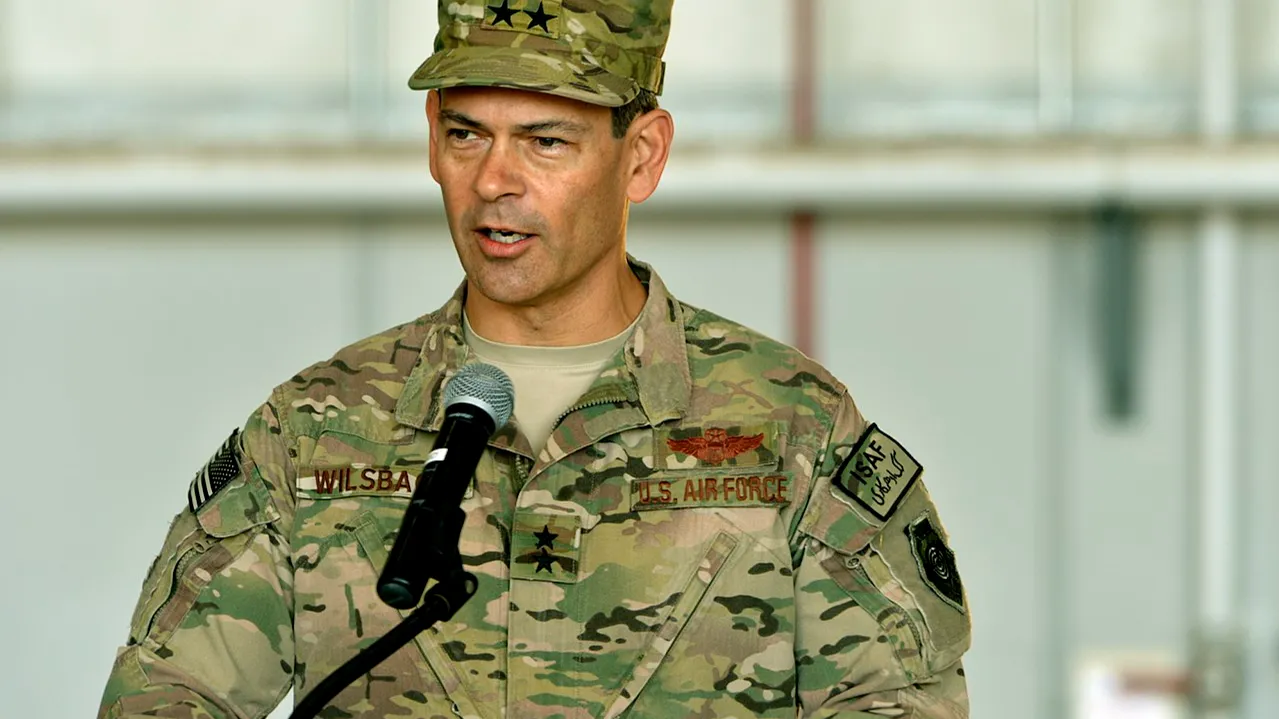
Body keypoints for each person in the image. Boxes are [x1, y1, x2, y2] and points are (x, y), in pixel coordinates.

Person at [97, 1, 972, 717]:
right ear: (431, 138)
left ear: (642, 157)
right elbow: (167, 693)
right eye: (466, 134)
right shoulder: (316, 429)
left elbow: (895, 701)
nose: (493, 181)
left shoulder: (791, 426)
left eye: (545, 141)